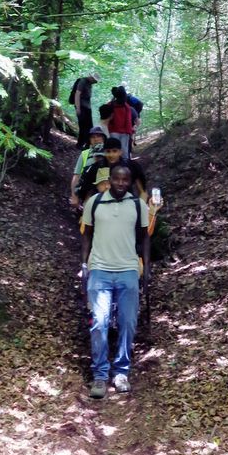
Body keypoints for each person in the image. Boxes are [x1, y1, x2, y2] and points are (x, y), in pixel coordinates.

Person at [81, 165, 150, 398]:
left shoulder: (139, 206)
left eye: (125, 180)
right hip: (99, 269)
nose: (121, 183)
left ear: (130, 182)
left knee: (128, 322)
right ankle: (100, 375)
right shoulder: (95, 202)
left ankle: (121, 372)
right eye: (117, 179)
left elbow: (144, 238)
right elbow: (87, 234)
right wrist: (84, 265)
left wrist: (146, 267)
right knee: (99, 322)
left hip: (128, 269)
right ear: (110, 180)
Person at [77, 137, 147, 204]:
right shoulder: (96, 167)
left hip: (127, 204)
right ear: (104, 152)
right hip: (102, 206)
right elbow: (87, 193)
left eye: (114, 151)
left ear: (120, 152)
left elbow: (143, 192)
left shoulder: (131, 166)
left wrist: (139, 209)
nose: (111, 155)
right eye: (108, 151)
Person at [69, 126, 106, 207]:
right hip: (87, 190)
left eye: (99, 136)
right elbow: (77, 176)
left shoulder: (110, 152)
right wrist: (74, 196)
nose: (96, 139)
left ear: (103, 138)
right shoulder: (84, 154)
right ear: (89, 140)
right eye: (93, 137)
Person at [74, 73, 100, 149]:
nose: (95, 82)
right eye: (94, 81)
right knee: (83, 126)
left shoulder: (89, 84)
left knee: (89, 127)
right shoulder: (82, 81)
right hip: (81, 107)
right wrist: (78, 108)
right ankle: (80, 144)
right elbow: (77, 94)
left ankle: (88, 144)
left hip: (87, 107)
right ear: (91, 78)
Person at [108, 86, 133, 155]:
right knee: (123, 150)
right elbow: (128, 121)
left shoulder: (110, 104)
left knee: (115, 150)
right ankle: (124, 164)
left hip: (114, 132)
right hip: (123, 132)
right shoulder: (126, 106)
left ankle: (117, 164)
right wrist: (129, 132)